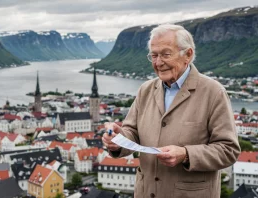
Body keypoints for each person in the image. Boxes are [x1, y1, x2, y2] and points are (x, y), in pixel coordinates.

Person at [102, 24, 240, 198]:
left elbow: (228, 150)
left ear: (187, 55)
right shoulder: (145, 90)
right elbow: (133, 132)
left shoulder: (213, 93)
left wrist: (186, 154)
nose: (158, 63)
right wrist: (118, 138)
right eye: (154, 55)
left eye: (166, 54)